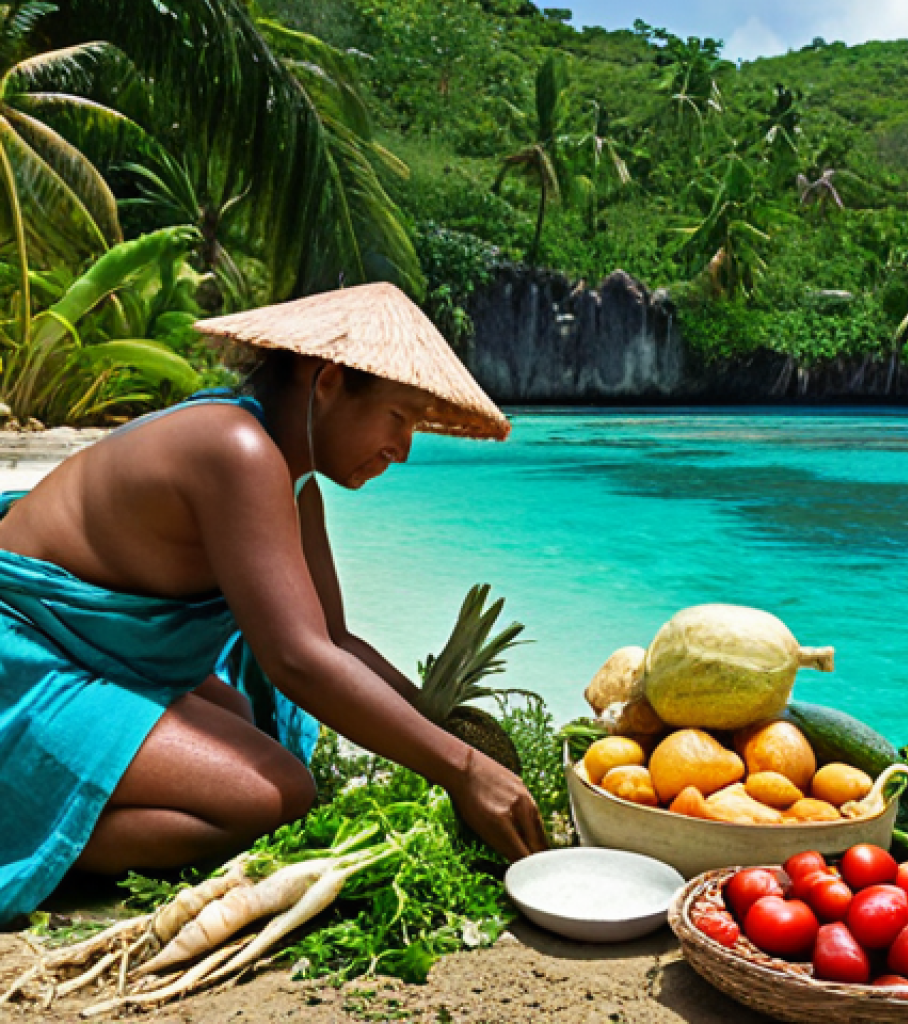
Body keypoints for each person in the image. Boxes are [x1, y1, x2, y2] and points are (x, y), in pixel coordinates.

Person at [0, 282, 547, 924]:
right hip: (23, 656)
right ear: (330, 382)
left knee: (239, 710)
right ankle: (28, 828)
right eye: (399, 418)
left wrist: (444, 726)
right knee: (274, 793)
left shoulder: (289, 477)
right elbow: (298, 659)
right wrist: (461, 771)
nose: (403, 449)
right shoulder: (237, 450)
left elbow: (334, 638)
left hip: (80, 649)